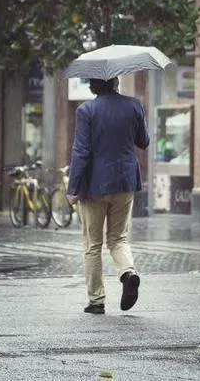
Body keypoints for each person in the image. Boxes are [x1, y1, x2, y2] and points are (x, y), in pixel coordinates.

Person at [66, 77, 150, 315]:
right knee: (118, 238)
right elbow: (143, 141)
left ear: (93, 86)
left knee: (93, 244)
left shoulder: (86, 110)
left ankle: (97, 301)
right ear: (115, 82)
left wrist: (73, 188)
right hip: (124, 182)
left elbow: (81, 151)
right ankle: (129, 273)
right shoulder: (134, 105)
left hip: (94, 186)